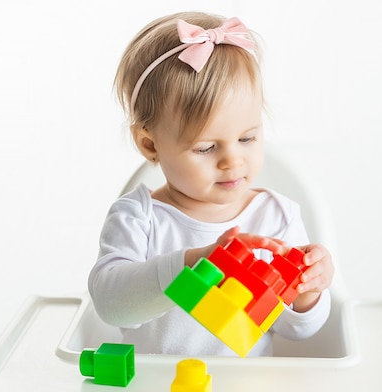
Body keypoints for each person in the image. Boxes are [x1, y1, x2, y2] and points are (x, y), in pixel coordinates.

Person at [88, 11, 334, 356]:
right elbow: (111, 305)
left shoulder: (277, 218)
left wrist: (309, 290)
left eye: (247, 139)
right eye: (206, 147)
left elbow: (298, 330)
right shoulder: (138, 218)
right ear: (150, 144)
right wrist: (192, 264)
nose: (232, 161)